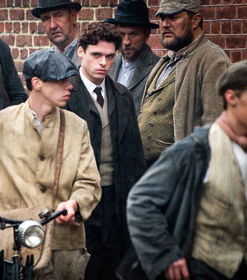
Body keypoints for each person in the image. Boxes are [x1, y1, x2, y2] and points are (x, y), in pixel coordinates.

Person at [0, 49, 101, 279]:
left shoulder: (77, 126)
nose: (69, 86)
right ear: (37, 83)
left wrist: (75, 203)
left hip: (63, 247)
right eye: (61, 80)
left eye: (69, 80)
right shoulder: (0, 122)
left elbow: (89, 181)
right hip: (12, 244)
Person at [127, 60, 247, 280]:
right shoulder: (194, 150)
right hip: (205, 269)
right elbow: (141, 201)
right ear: (232, 98)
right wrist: (165, 255)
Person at [65, 22, 146, 280]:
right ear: (81, 52)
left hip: (116, 199)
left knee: (113, 268)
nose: (104, 63)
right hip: (77, 198)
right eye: (96, 55)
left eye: (110, 56)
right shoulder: (65, 95)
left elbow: (134, 156)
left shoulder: (122, 96)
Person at [138, 0, 231, 167]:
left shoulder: (212, 60)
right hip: (149, 170)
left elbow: (214, 128)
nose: (165, 25)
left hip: (180, 170)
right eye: (162, 18)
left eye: (173, 17)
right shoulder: (168, 59)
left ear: (195, 20)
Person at [106, 0, 160, 115]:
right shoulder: (107, 64)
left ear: (146, 35)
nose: (126, 41)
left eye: (133, 34)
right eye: (121, 34)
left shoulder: (158, 69)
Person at [32, 0, 82, 67]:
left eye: (58, 16)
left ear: (73, 16)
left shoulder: (91, 52)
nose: (52, 26)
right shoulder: (44, 61)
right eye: (46, 19)